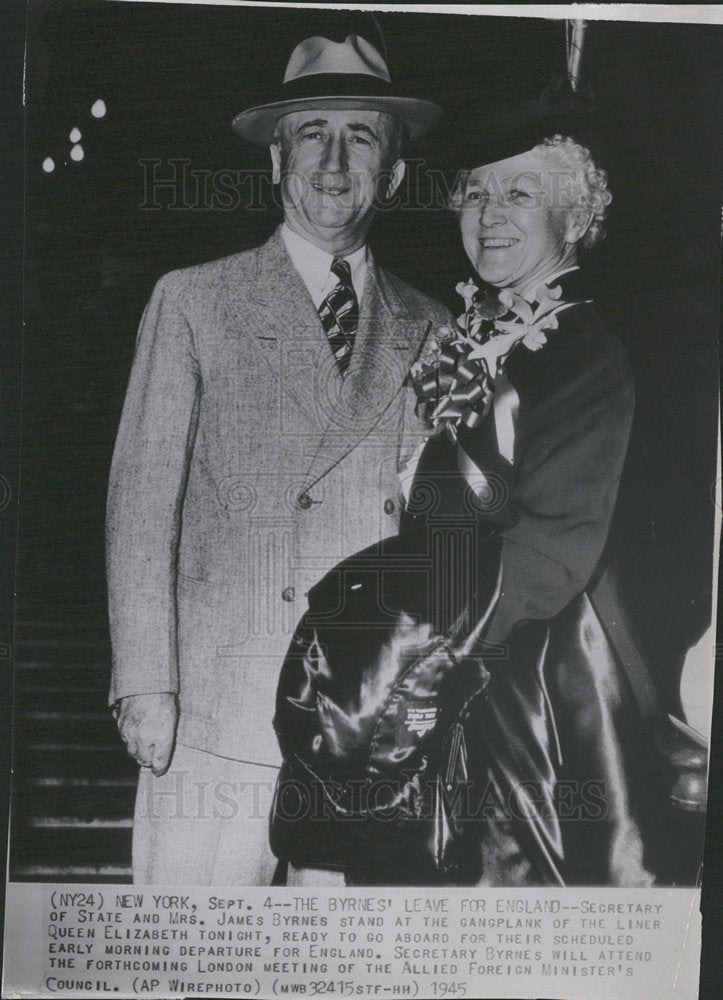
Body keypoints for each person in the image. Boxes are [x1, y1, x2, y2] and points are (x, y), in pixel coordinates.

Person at [271, 80, 707, 886]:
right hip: (450, 647)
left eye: (519, 194)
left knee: (503, 887)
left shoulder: (581, 349)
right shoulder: (479, 331)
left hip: (524, 675)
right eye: (474, 193)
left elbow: (551, 548)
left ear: (573, 220)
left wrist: (423, 677)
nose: (489, 212)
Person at [106, 32, 450, 885]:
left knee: (334, 969)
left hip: (363, 724)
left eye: (361, 135)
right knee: (189, 958)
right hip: (218, 714)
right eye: (311, 133)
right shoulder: (194, 301)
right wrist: (146, 682)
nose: (334, 160)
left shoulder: (437, 328)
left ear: (395, 174)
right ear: (275, 160)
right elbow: (141, 507)